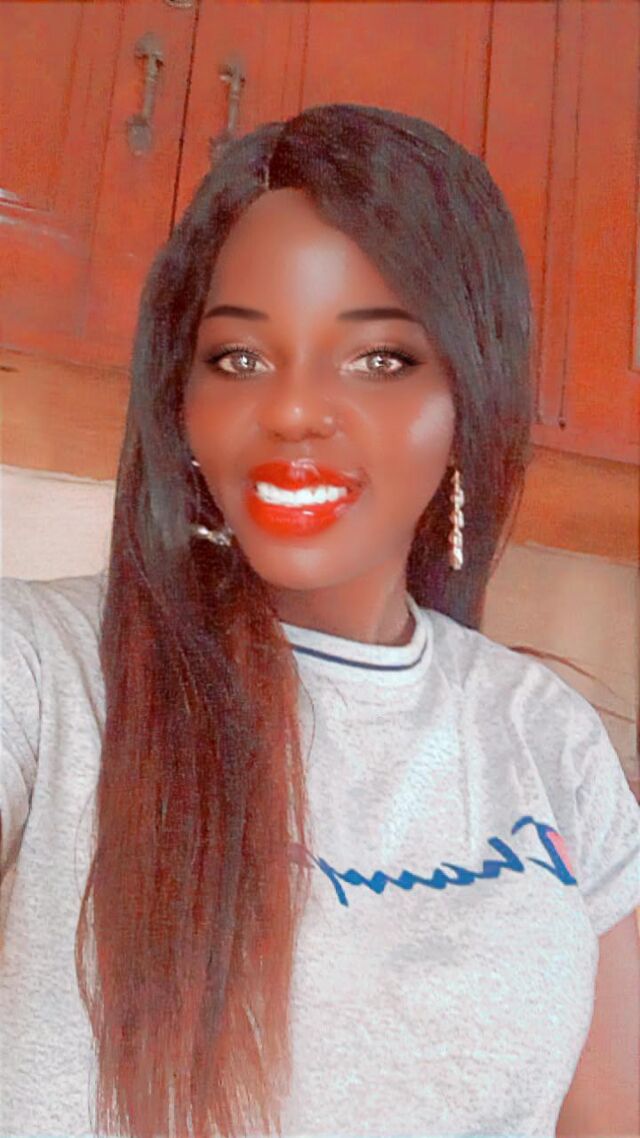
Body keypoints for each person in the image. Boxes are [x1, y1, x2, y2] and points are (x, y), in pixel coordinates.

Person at [0, 103, 638, 1138]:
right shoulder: (47, 671)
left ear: (466, 403)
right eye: (239, 358)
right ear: (182, 407)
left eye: (379, 358)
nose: (293, 409)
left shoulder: (548, 740)